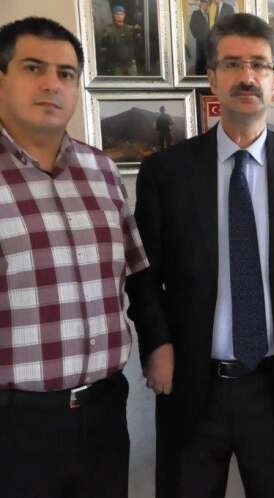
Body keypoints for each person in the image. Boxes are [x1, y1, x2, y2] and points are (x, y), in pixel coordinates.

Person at [125, 13, 274, 498]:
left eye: (259, 65)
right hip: (192, 386)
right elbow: (142, 272)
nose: (247, 76)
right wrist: (156, 345)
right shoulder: (167, 172)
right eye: (233, 64)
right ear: (212, 78)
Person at [0, 16, 149, 498]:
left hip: (103, 412)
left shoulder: (101, 170)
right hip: (15, 424)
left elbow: (135, 272)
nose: (52, 84)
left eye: (65, 73)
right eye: (33, 68)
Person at [98, 5, 142, 75]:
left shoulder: (130, 29)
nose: (119, 16)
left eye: (121, 14)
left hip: (130, 64)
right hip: (116, 66)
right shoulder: (108, 29)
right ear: (114, 15)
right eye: (117, 14)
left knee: (133, 81)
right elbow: (103, 46)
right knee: (118, 81)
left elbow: (138, 42)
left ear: (124, 15)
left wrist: (138, 33)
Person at [189, 0, 211, 74]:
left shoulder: (209, 14)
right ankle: (199, 74)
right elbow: (191, 25)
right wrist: (197, 35)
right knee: (200, 57)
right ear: (201, 4)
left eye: (207, 3)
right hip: (200, 39)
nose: (206, 5)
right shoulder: (195, 13)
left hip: (208, 39)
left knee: (207, 57)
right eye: (204, 3)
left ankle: (206, 73)